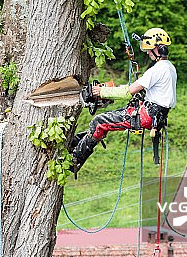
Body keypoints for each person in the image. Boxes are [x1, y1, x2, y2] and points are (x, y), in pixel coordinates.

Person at [71, 28, 177, 172]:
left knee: (99, 122)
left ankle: (75, 160)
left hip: (148, 115)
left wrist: (102, 91)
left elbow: (128, 92)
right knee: (107, 120)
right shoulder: (169, 67)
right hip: (153, 113)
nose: (146, 52)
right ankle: (76, 142)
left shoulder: (157, 70)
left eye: (148, 49)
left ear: (159, 49)